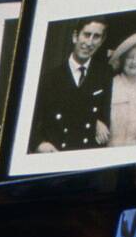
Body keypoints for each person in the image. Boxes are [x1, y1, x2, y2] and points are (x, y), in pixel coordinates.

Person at [29, 16, 111, 153]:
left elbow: (106, 114)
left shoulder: (104, 74)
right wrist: (39, 144)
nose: (89, 42)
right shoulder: (50, 78)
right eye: (86, 35)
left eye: (96, 37)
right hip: (57, 153)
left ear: (101, 42)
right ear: (75, 37)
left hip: (87, 153)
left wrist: (100, 121)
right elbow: (31, 120)